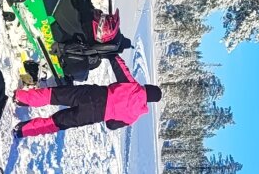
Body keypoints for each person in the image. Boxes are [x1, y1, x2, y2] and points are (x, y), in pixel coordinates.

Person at [12, 55, 162, 138]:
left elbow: (120, 66)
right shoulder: (132, 116)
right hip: (91, 115)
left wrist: (112, 53)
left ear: (147, 88)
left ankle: (21, 98)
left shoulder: (133, 86)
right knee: (56, 123)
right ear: (149, 101)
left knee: (54, 96)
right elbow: (111, 125)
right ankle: (22, 130)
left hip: (91, 95)